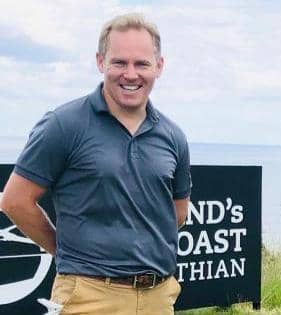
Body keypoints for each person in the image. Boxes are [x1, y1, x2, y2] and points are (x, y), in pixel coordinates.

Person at [0, 13, 191, 315]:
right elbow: (15, 201)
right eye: (119, 62)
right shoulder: (64, 125)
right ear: (101, 62)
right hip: (87, 297)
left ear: (159, 66)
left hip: (158, 297)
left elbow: (176, 213)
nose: (130, 74)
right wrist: (66, 252)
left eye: (141, 63)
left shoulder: (173, 136)